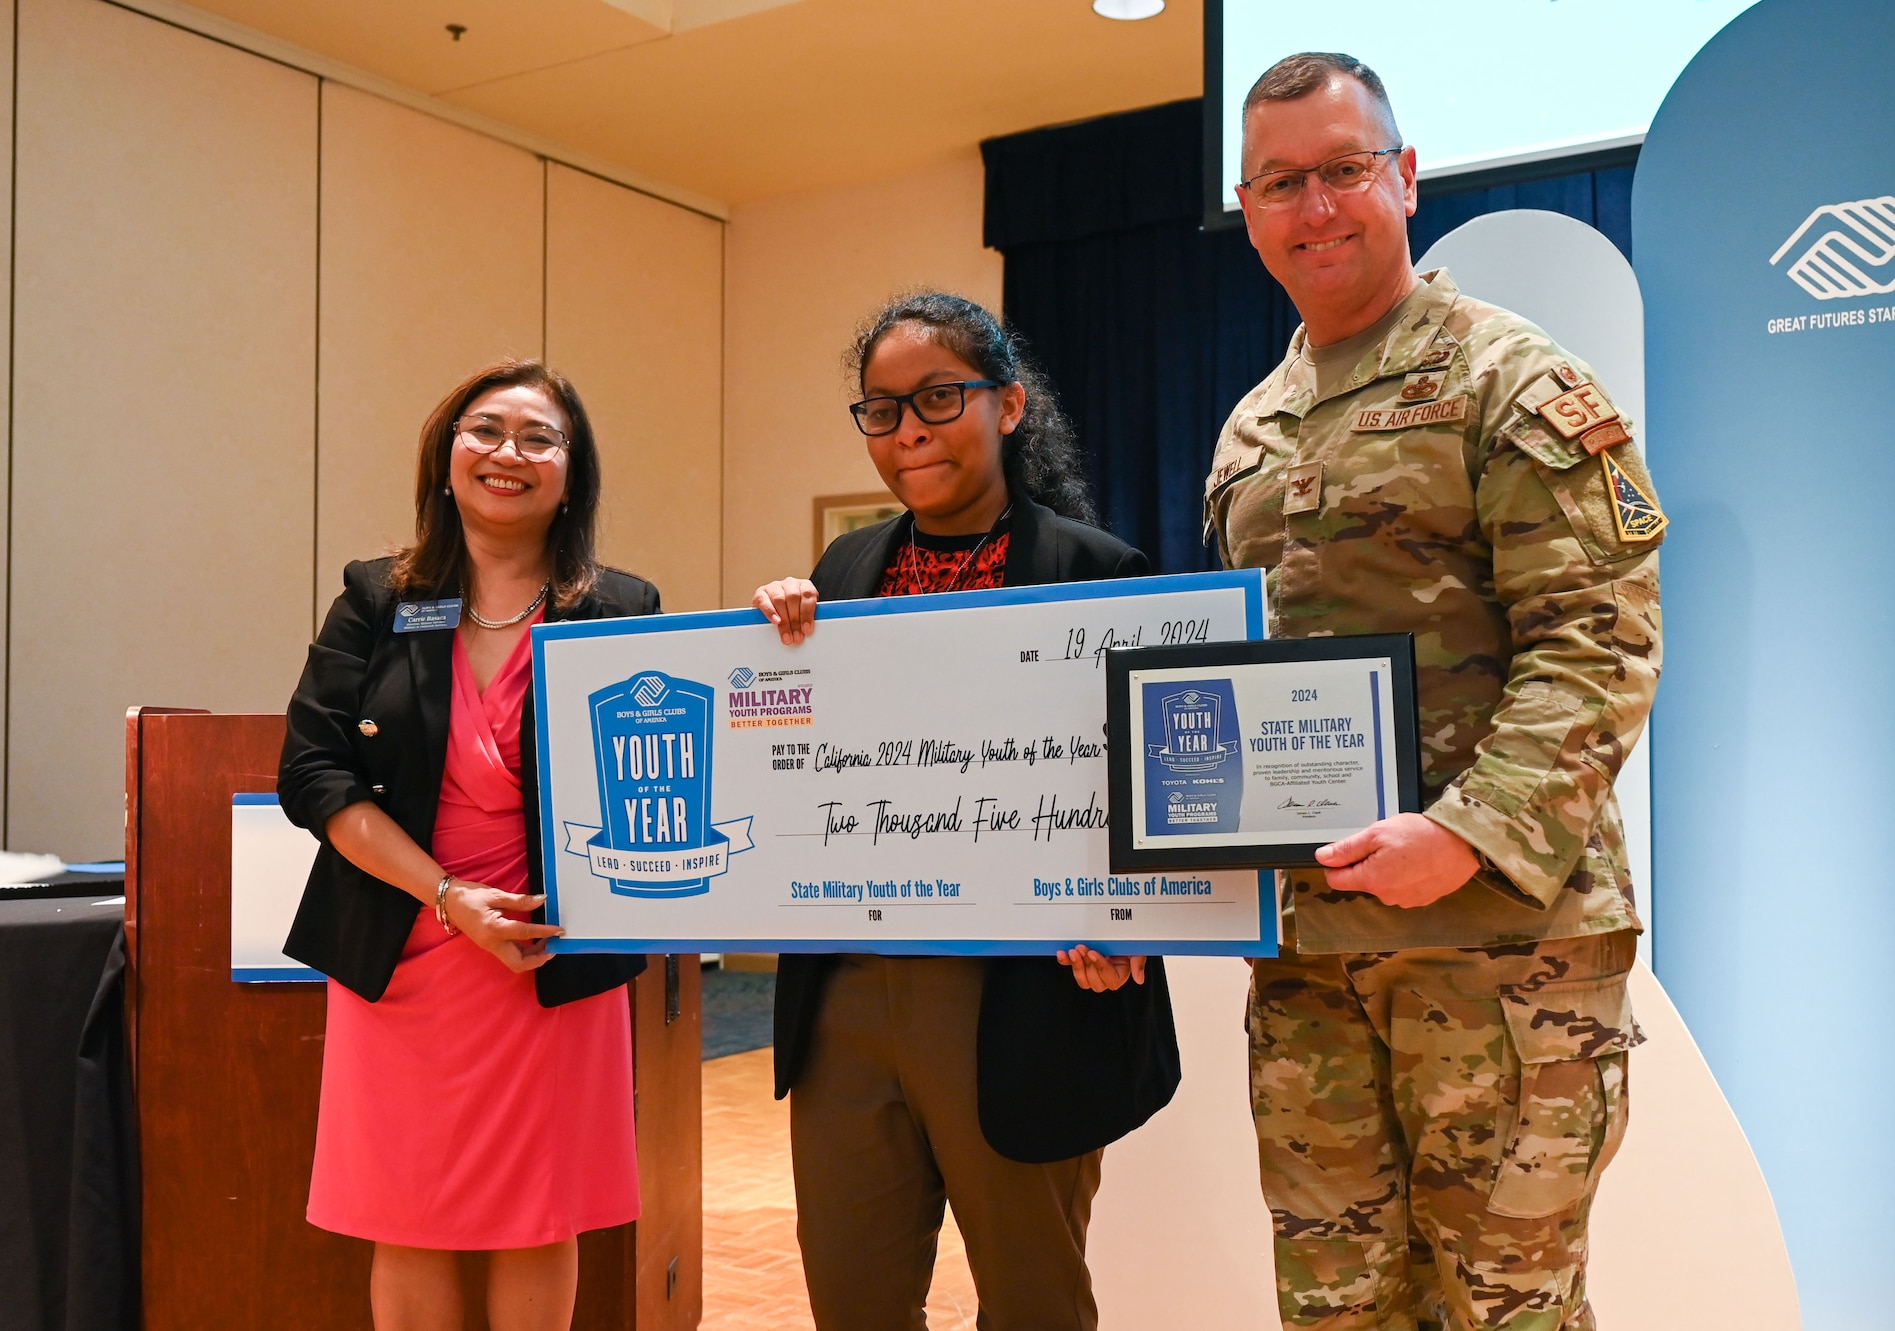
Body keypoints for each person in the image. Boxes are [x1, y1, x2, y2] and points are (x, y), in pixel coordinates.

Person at [1210, 54, 1668, 1330]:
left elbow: (1596, 638)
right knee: (1333, 1305)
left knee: (1504, 1309)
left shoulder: (1509, 381)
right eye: (1281, 182)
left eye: (1344, 170)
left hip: (1500, 958)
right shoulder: (1252, 427)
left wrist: (1463, 833)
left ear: (1403, 178)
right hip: (1310, 960)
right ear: (1247, 209)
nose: (1316, 208)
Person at [750, 291, 1178, 1331]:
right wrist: (760, 652)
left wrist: (1125, 914)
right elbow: (797, 763)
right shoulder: (842, 570)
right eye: (882, 408)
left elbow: (1151, 780)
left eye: (938, 397)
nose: (909, 430)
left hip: (1027, 997)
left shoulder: (1096, 569)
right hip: (846, 992)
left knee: (1032, 1298)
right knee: (850, 1294)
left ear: (1010, 405)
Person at [278, 360, 660, 1331]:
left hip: (548, 945)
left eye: (540, 437)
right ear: (446, 454)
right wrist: (445, 894)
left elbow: (673, 757)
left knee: (540, 1216)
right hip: (403, 939)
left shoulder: (617, 604)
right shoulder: (380, 595)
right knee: (405, 1215)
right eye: (485, 429)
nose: (508, 453)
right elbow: (312, 772)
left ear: (572, 473)